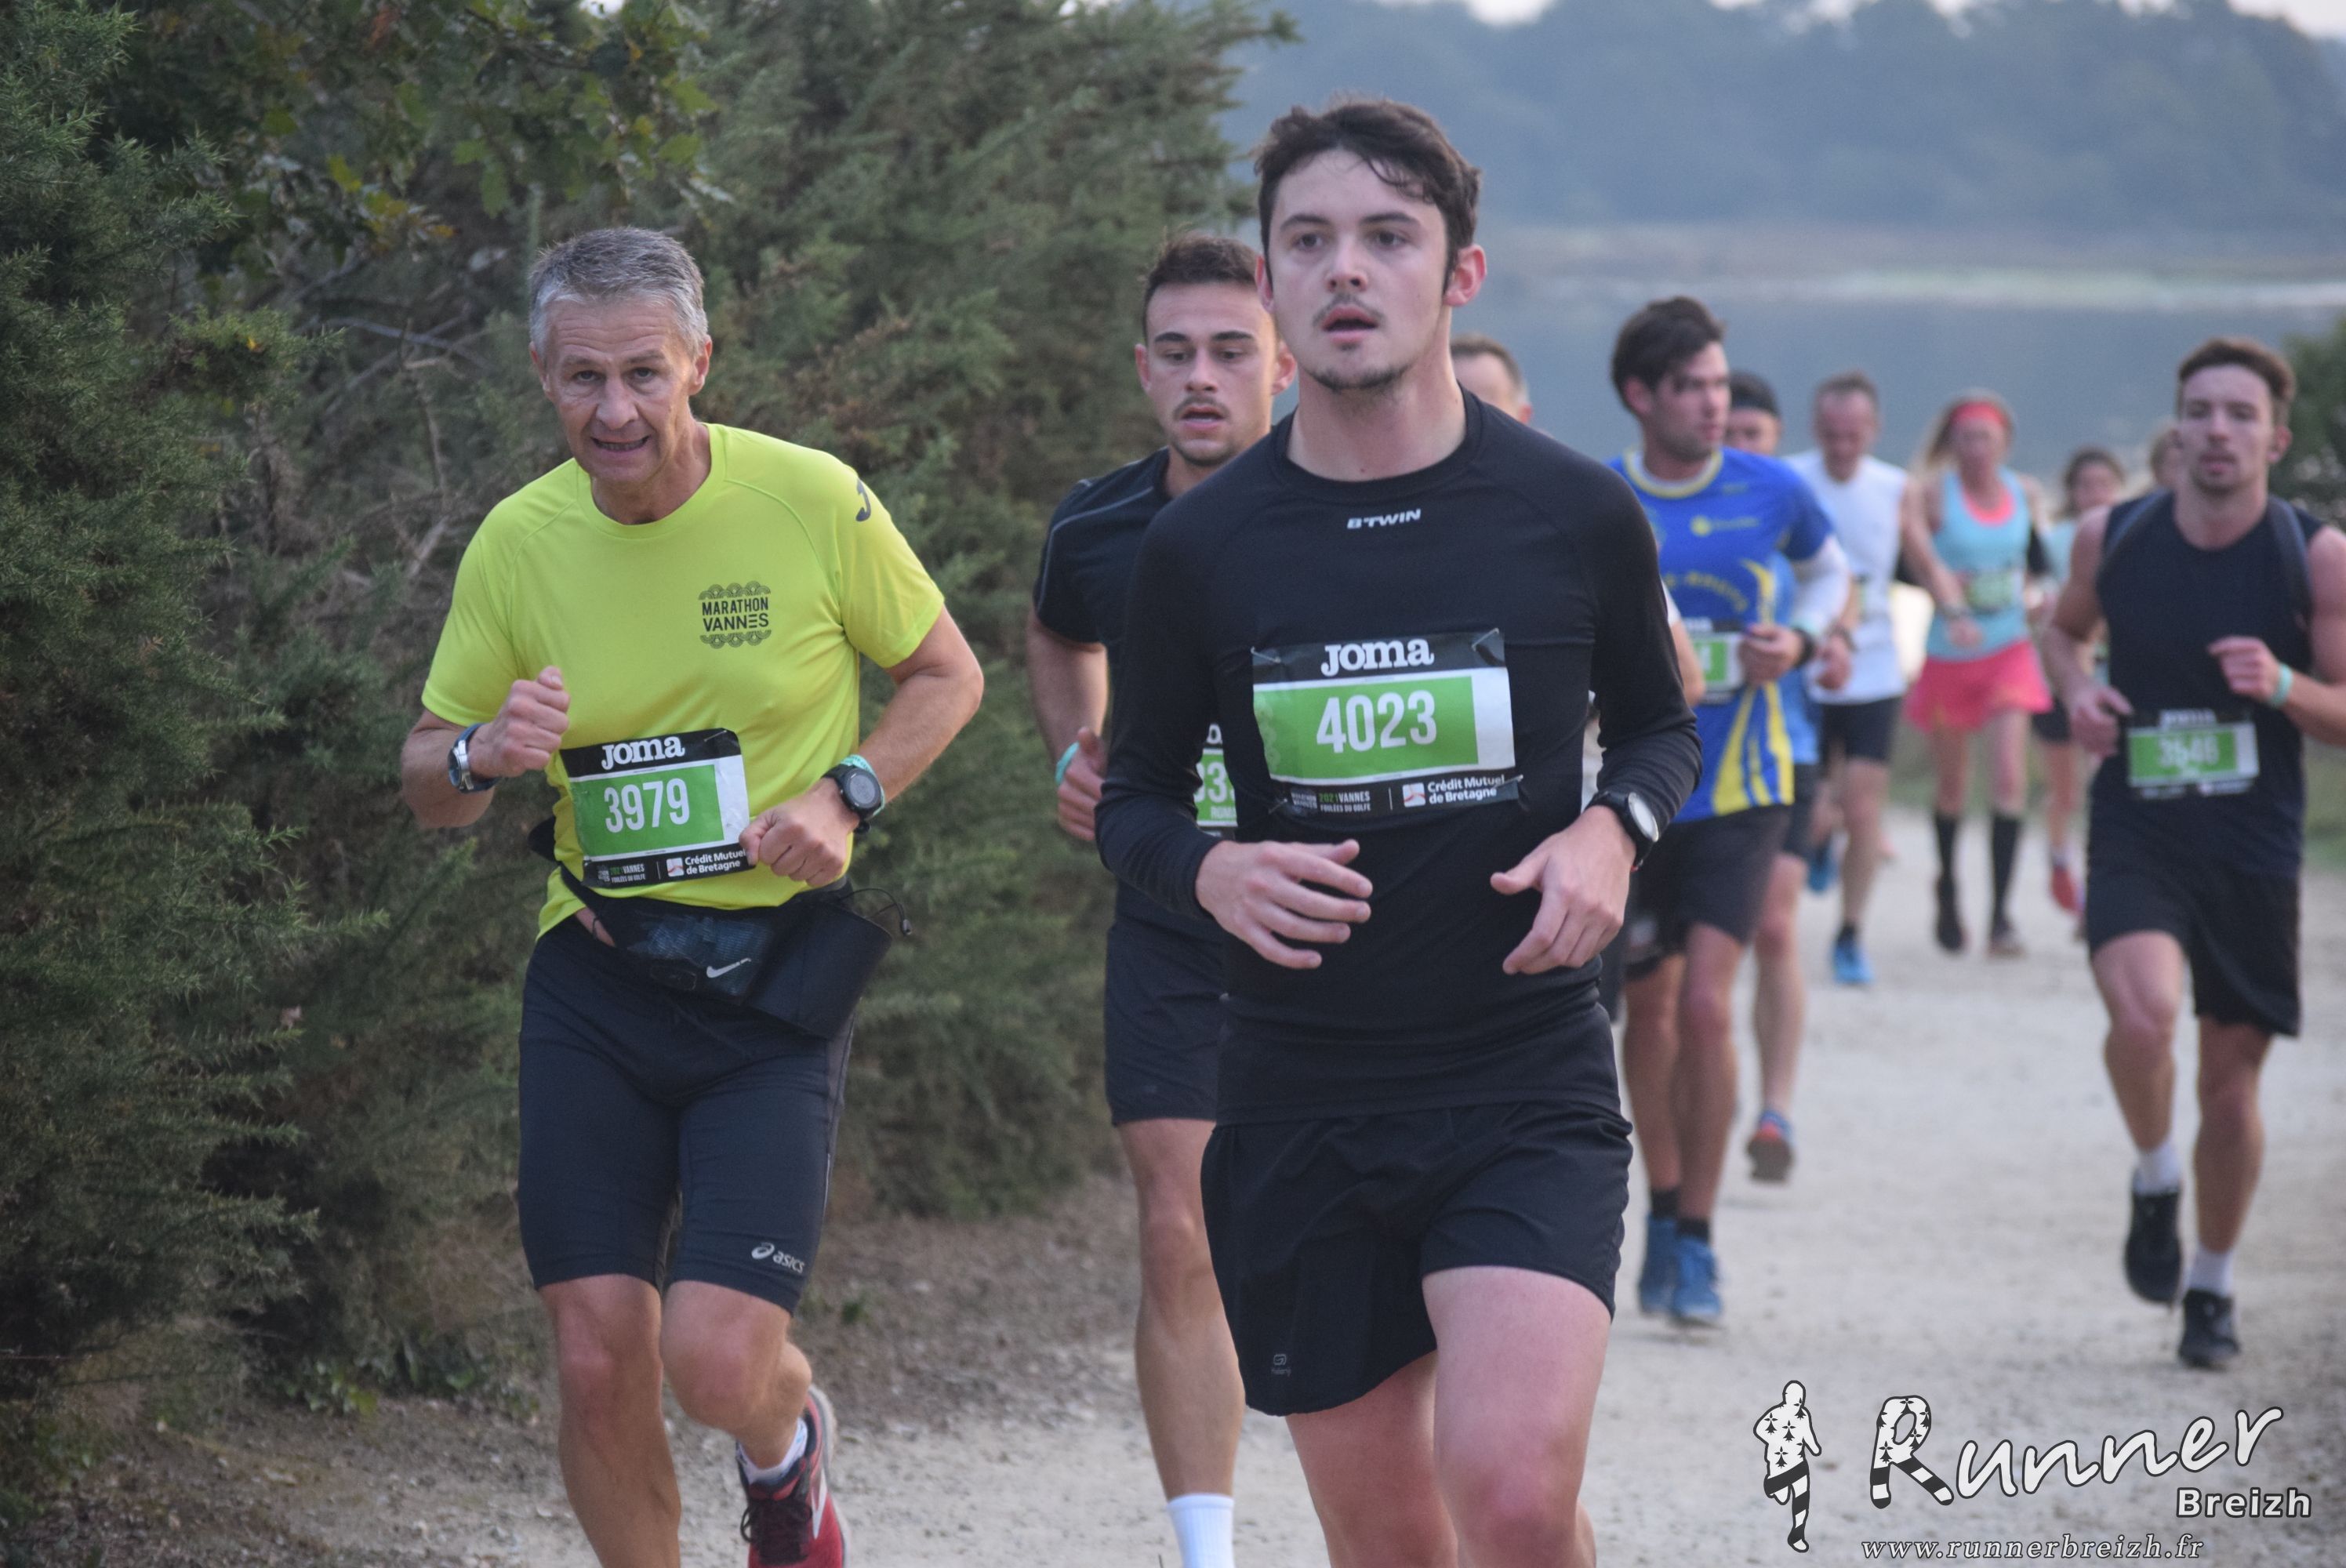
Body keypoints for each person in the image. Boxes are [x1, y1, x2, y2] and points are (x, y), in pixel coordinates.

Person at [1097, 100, 1700, 1568]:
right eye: (1308, 241)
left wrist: (1611, 831)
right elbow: (1133, 800)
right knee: (1389, 1541)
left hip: (1519, 1071)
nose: (1346, 270)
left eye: (1387, 237)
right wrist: (1211, 867)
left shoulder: (1570, 510)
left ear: (1460, 274)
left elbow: (1662, 728)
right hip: (1299, 1089)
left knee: (1512, 1495)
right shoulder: (1200, 547)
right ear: (1271, 281)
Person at [401, 228, 985, 1568]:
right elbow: (428, 780)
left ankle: (786, 1447)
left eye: (644, 374)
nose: (614, 411)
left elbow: (947, 675)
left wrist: (845, 796)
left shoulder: (808, 499)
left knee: (717, 1360)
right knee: (597, 1351)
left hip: (769, 984)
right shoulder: (518, 543)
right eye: (583, 379)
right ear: (542, 375)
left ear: (699, 364)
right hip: (597, 974)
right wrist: (483, 752)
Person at [1025, 232, 1295, 1568]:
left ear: (1283, 367)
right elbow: (1057, 624)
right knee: (1178, 1221)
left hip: (1351, 926)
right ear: (1141, 369)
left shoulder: (1354, 508)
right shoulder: (1098, 525)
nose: (1202, 377)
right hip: (1176, 921)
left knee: (1349, 1230)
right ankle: (1206, 1550)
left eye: (1231, 352)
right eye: (1177, 353)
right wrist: (1074, 755)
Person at [2043, 337, 2344, 1370]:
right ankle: (2154, 1174)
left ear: (2275, 438)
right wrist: (2080, 692)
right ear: (2176, 428)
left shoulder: (2314, 556)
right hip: (2141, 827)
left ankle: (2211, 1284)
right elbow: (2061, 635)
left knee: (2229, 1082)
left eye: (2239, 415)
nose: (2217, 431)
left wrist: (2283, 686)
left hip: (2252, 843)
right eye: (2200, 411)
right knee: (2143, 1016)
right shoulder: (2116, 534)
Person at [1609, 299, 1849, 1323]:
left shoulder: (1773, 488)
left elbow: (1831, 576)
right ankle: (1661, 1208)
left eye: (1720, 383)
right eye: (1692, 387)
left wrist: (1798, 640)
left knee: (1708, 1004)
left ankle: (1700, 1238)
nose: (1714, 403)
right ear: (1641, 396)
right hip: (1636, 794)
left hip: (1745, 787)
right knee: (1652, 1011)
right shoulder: (1602, 498)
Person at [1720, 369, 1853, 1183]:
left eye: (1755, 438)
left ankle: (1775, 1108)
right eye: (1729, 434)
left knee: (1772, 927)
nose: (1740, 449)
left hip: (1785, 752)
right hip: (1694, 756)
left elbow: (1842, 604)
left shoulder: (1792, 520)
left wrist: (1828, 649)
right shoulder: (1680, 520)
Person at [1898, 390, 2054, 958]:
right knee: (1953, 786)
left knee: (2009, 778)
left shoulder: (2025, 493)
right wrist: (1953, 607)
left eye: (1986, 437)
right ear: (1951, 442)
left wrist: (2040, 597)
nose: (1976, 448)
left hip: (2009, 649)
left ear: (2004, 442)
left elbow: (2036, 564)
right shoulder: (1931, 495)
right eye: (1966, 438)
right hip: (1951, 653)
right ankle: (1948, 888)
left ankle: (2001, 918)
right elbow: (1922, 563)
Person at [1787, 371, 1912, 987]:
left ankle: (1850, 933)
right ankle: (1815, 841)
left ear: (1875, 430)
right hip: (1804, 667)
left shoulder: (1896, 487)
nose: (1842, 447)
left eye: (1854, 435)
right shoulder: (1790, 481)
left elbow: (1925, 554)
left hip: (1876, 667)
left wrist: (1954, 603)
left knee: (1863, 809)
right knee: (1813, 806)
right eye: (1831, 434)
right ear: (1816, 428)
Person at [2035, 447, 2127, 917]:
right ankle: (2058, 860)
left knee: (2102, 786)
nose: (2095, 494)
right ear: (2071, 491)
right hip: (2059, 681)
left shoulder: (2132, 535)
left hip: (2109, 678)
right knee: (2066, 791)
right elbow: (2034, 591)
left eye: (2104, 484)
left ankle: (2096, 888)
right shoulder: (2054, 541)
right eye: (2085, 485)